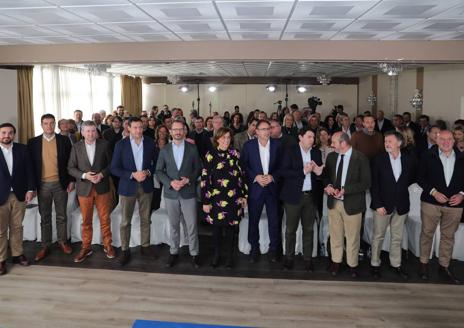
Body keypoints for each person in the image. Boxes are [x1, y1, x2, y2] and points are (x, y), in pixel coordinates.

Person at [417, 130, 464, 284]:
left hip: (455, 204)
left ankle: (444, 266)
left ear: (454, 140)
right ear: (436, 140)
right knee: (427, 233)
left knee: (448, 236)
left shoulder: (462, 156)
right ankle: (423, 263)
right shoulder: (427, 155)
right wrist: (433, 192)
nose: (446, 142)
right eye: (442, 139)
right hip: (431, 202)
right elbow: (420, 177)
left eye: (449, 139)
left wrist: (462, 194)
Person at [111, 117, 158, 266]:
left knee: (145, 218)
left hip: (146, 185)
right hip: (127, 186)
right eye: (135, 127)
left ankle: (145, 246)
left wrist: (148, 173)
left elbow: (157, 163)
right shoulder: (120, 145)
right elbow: (114, 168)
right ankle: (125, 250)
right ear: (128, 128)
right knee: (125, 221)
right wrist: (132, 174)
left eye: (140, 127)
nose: (138, 130)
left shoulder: (150, 142)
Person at [156, 120, 202, 268]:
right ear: (170, 132)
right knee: (174, 225)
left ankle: (194, 253)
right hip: (171, 193)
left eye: (180, 129)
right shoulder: (165, 150)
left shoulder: (192, 148)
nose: (177, 132)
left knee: (192, 225)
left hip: (188, 192)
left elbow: (198, 168)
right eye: (175, 130)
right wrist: (170, 183)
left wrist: (189, 179)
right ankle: (173, 251)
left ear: (185, 131)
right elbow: (159, 170)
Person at [323, 132, 371, 278]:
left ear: (343, 143)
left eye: (334, 143)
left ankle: (352, 265)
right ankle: (336, 262)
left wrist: (345, 191)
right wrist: (328, 185)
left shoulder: (360, 158)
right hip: (334, 203)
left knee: (352, 237)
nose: (332, 145)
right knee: (336, 235)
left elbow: (366, 183)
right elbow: (326, 176)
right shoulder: (332, 157)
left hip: (353, 204)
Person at [370, 131, 416, 280]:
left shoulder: (409, 160)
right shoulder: (379, 160)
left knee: (397, 237)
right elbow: (374, 185)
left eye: (389, 141)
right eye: (385, 141)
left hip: (401, 205)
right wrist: (377, 204)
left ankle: (395, 264)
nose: (386, 144)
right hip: (382, 205)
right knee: (378, 236)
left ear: (399, 143)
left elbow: (410, 180)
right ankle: (375, 264)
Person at [28, 114, 74, 262]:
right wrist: (32, 187)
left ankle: (62, 242)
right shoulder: (33, 142)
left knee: (62, 215)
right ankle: (45, 245)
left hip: (60, 184)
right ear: (41, 125)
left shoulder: (64, 140)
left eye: (51, 123)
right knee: (45, 216)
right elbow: (30, 168)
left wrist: (72, 180)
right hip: (42, 186)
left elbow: (71, 162)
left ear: (55, 125)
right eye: (46, 123)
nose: (49, 126)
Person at [67, 121, 115, 263]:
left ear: (97, 131)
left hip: (102, 187)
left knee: (105, 219)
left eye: (93, 131)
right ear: (82, 132)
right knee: (86, 221)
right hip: (84, 188)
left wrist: (102, 174)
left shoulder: (104, 144)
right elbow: (70, 167)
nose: (90, 134)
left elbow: (111, 165)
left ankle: (108, 245)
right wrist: (84, 175)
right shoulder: (76, 147)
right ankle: (86, 247)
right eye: (87, 131)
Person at [201, 127, 247, 268]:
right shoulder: (210, 155)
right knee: (216, 230)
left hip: (234, 198)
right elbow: (205, 179)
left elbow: (242, 175)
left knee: (231, 230)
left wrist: (244, 195)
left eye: (228, 137)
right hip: (216, 198)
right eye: (223, 138)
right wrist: (205, 201)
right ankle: (216, 255)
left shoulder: (236, 154)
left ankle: (230, 257)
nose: (226, 140)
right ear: (217, 139)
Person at [280, 128, 323, 272]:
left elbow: (320, 174)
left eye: (313, 137)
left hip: (310, 196)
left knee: (309, 229)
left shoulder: (316, 152)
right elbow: (284, 172)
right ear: (300, 137)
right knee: (290, 229)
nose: (312, 139)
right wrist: (303, 172)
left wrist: (318, 173)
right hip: (293, 196)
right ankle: (289, 258)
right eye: (309, 136)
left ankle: (307, 259)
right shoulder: (290, 150)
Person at [241, 119, 283, 263]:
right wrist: (255, 177)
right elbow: (244, 166)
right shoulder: (248, 146)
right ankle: (254, 249)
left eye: (268, 128)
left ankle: (273, 250)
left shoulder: (278, 145)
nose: (267, 131)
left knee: (274, 221)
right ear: (256, 131)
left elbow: (282, 166)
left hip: (272, 189)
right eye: (263, 129)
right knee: (253, 221)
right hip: (255, 189)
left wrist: (272, 177)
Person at [0, 123, 35, 275]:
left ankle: (17, 254)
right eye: (3, 133)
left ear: (14, 134)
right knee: (0, 230)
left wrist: (30, 189)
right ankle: (1, 260)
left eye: (10, 133)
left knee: (17, 227)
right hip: (0, 195)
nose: (6, 135)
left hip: (19, 194)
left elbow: (30, 170)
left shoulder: (23, 149)